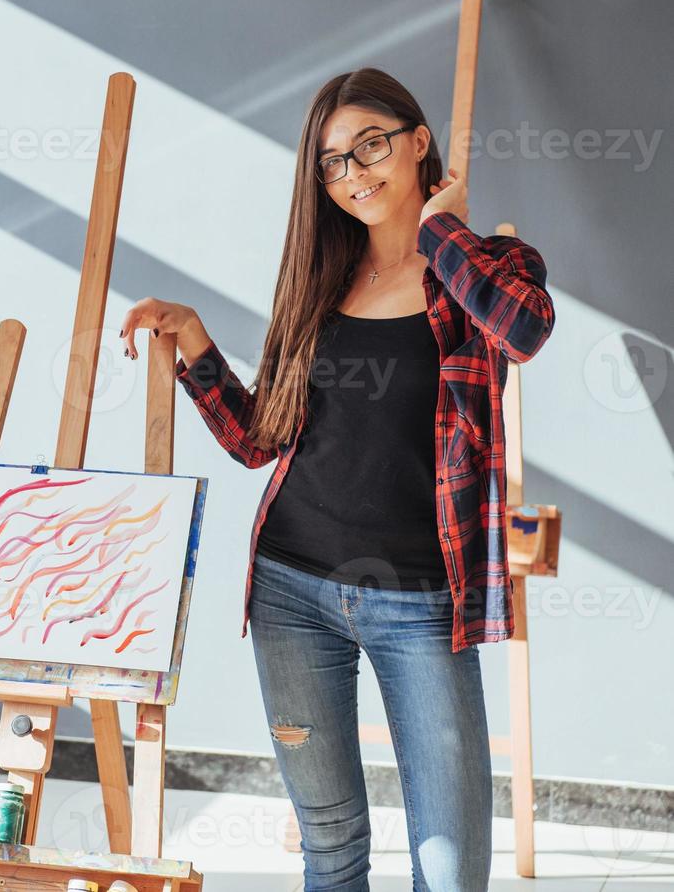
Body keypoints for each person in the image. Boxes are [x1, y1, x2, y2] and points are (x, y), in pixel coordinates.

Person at [118, 67, 555, 891]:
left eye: (373, 147)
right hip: (289, 590)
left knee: (451, 870)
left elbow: (525, 330)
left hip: (419, 602)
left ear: (418, 143)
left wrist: (438, 230)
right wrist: (196, 344)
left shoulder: (483, 267)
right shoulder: (322, 278)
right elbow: (260, 442)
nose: (356, 174)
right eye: (334, 162)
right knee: (329, 846)